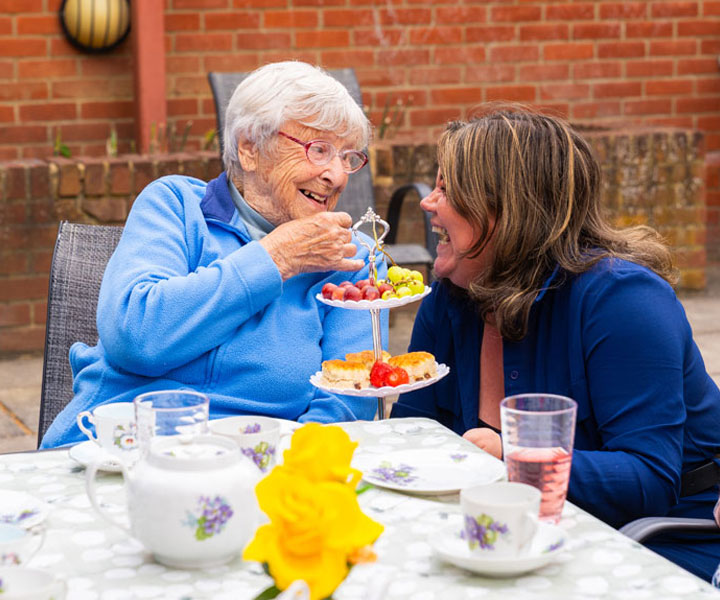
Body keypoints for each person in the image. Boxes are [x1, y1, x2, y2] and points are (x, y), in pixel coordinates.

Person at [391, 107, 720, 581]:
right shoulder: (451, 295)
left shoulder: (623, 300)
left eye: (447, 189)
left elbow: (648, 479)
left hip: (658, 541)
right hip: (511, 529)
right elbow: (416, 432)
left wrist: (512, 458)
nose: (429, 203)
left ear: (507, 209)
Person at [42, 61, 387, 448]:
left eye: (348, 157)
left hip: (261, 462)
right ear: (249, 149)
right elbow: (134, 336)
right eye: (319, 150)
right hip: (117, 451)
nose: (338, 176)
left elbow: (348, 399)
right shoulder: (175, 206)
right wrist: (275, 258)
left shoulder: (352, 260)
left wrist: (291, 466)